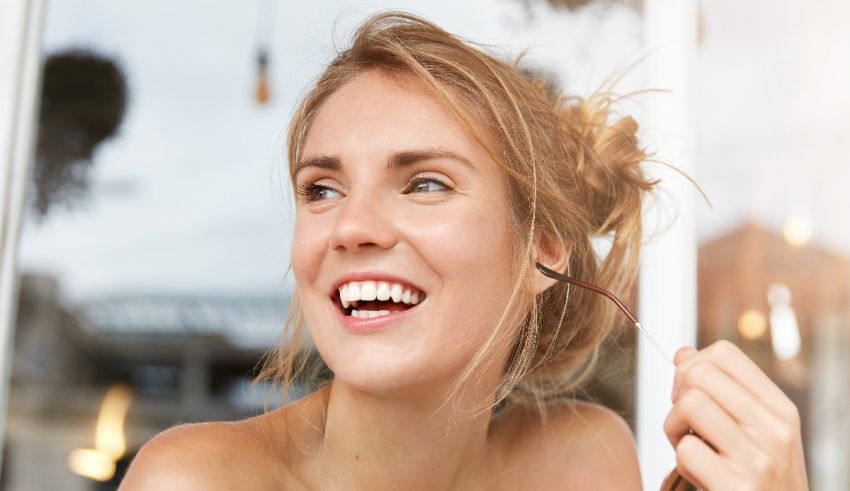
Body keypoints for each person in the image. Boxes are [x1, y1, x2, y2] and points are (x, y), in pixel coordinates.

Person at [119, 11, 809, 490]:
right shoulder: (198, 479)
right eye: (321, 189)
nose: (351, 226)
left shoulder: (587, 459)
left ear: (542, 245)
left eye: (423, 182)